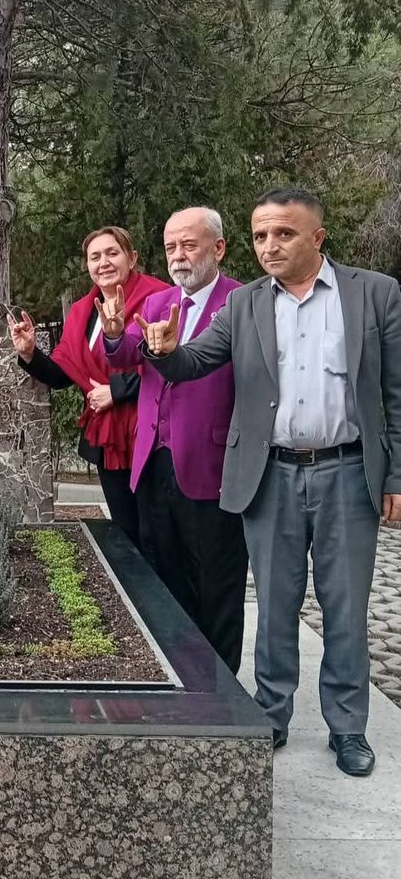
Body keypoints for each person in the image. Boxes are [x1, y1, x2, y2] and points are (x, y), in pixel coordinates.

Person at [136, 189, 401, 777]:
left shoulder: (374, 294)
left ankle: (348, 727)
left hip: (349, 473)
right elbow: (193, 363)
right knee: (276, 605)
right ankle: (273, 714)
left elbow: (396, 396)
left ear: (317, 237)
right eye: (260, 236)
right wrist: (164, 349)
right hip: (270, 475)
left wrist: (397, 476)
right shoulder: (246, 304)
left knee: (345, 607)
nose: (269, 246)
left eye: (283, 234)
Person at [100, 207, 247, 672]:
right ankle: (177, 675)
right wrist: (112, 331)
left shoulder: (241, 304)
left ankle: (222, 687)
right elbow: (127, 355)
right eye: (170, 247)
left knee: (215, 582)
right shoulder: (160, 303)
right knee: (164, 573)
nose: (179, 256)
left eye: (189, 245)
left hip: (211, 464)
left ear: (218, 248)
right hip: (154, 463)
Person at [8, 226, 166, 547]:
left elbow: (168, 365)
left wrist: (117, 390)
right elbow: (64, 375)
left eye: (112, 253)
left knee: (158, 532)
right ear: (87, 265)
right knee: (126, 530)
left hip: (152, 436)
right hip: (109, 441)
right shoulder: (82, 312)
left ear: (131, 258)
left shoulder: (159, 298)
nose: (103, 262)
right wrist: (28, 352)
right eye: (95, 257)